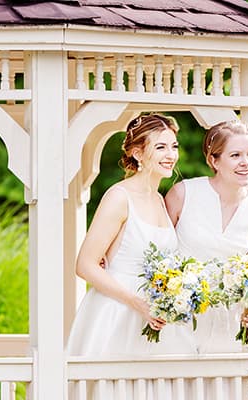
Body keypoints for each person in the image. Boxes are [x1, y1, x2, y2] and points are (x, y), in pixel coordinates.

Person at [67, 114, 195, 398]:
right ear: (137, 153)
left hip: (157, 318)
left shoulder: (160, 200)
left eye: (174, 146)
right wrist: (138, 304)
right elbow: (85, 265)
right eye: (160, 147)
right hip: (117, 314)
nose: (171, 155)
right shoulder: (118, 197)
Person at [165, 120, 248, 357]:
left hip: (228, 327)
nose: (246, 162)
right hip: (179, 321)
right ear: (214, 160)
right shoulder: (183, 194)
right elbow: (154, 248)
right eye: (235, 155)